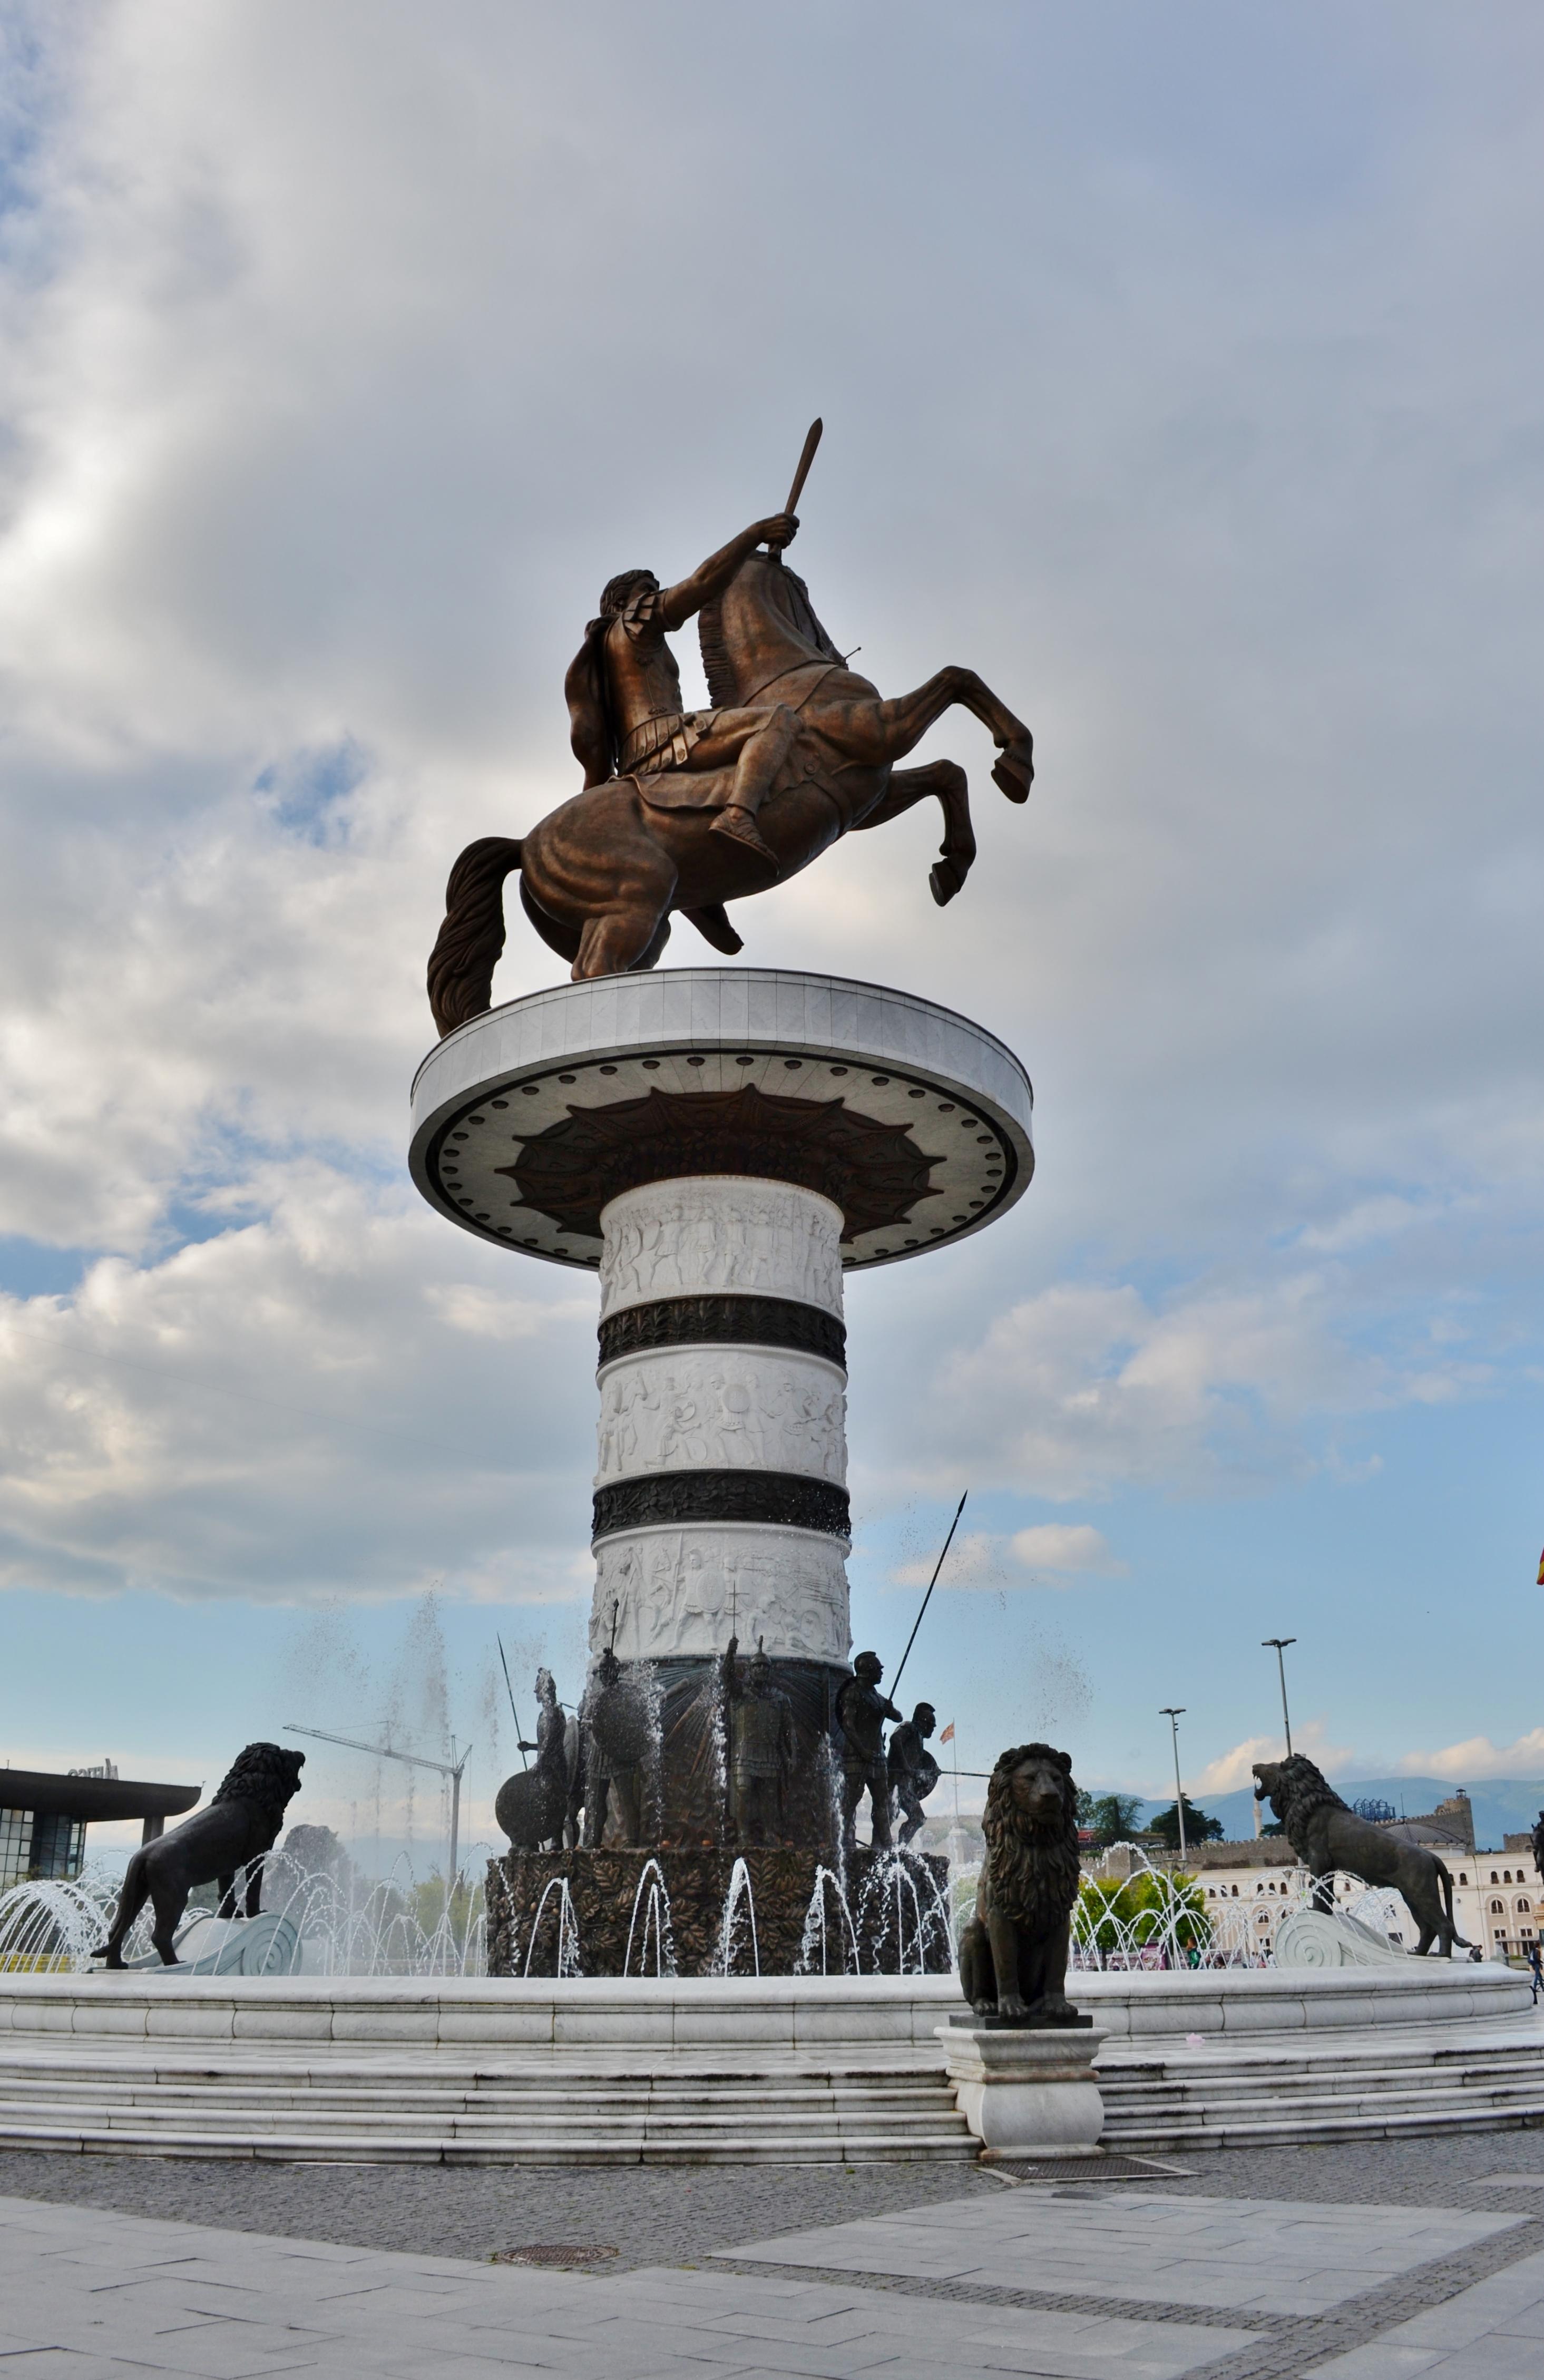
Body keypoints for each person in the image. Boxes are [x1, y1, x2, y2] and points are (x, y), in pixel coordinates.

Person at [564, 512, 806, 865]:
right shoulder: (633, 622)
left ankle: (717, 923)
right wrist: (755, 534)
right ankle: (738, 814)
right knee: (777, 721)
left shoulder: (608, 648)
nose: (657, 595)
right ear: (621, 604)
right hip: (664, 741)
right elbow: (702, 582)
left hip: (634, 756)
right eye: (647, 591)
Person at [720, 1636, 795, 1846]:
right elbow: (727, 1675)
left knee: (770, 1796)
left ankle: (770, 1834)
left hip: (770, 1754)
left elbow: (789, 1729)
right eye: (757, 1666)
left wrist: (792, 1755)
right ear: (750, 1670)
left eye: (765, 1667)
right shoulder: (740, 1692)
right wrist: (730, 1652)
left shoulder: (780, 1698)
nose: (761, 1670)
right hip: (744, 1754)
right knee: (743, 1791)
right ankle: (743, 1835)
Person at [836, 1651, 903, 1854]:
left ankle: (884, 1841)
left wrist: (890, 1709)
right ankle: (842, 1839)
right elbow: (848, 1725)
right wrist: (862, 1750)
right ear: (867, 1671)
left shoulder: (876, 1696)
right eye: (878, 1670)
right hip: (856, 1755)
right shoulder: (853, 1692)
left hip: (876, 1756)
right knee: (851, 1799)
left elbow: (898, 1717)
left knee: (882, 1802)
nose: (881, 1674)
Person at [886, 1702, 941, 1847]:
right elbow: (895, 1739)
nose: (932, 1730)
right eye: (931, 1726)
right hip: (896, 1783)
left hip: (905, 1785)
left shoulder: (919, 1739)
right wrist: (904, 1765)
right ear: (923, 1722)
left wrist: (933, 1771)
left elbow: (920, 1763)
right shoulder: (909, 1727)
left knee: (911, 1817)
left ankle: (899, 1847)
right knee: (892, 1815)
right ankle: (890, 1845)